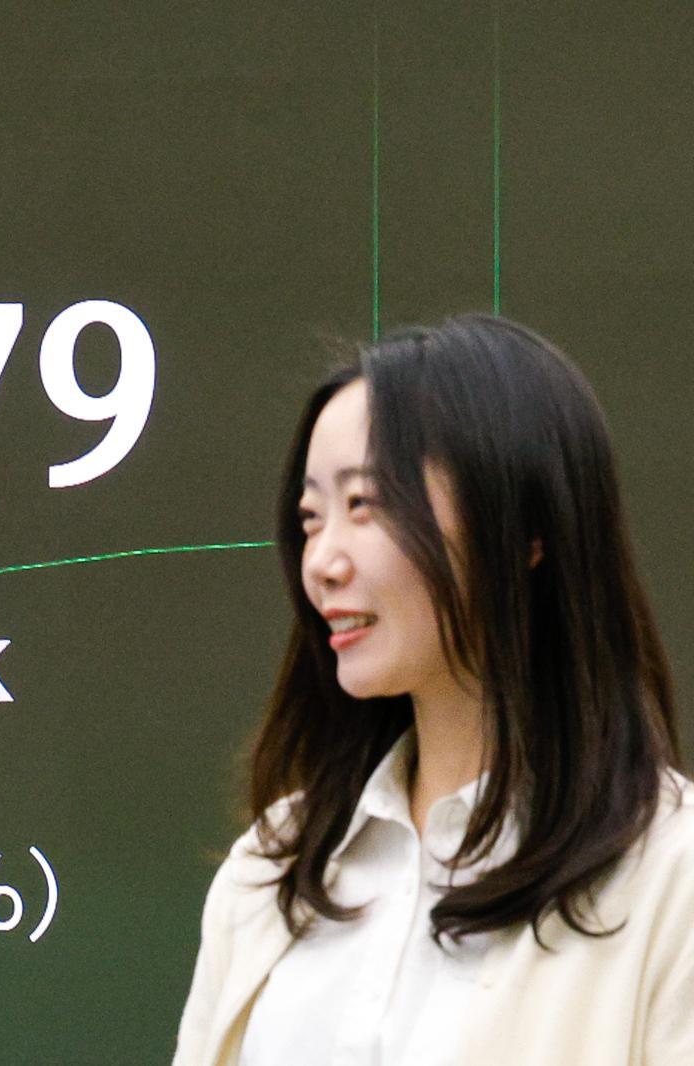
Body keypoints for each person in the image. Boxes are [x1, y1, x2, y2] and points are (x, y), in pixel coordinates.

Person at [172, 314, 694, 1066]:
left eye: (365, 505)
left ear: (525, 529)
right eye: (311, 519)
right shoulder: (272, 869)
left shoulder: (668, 875)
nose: (322, 562)